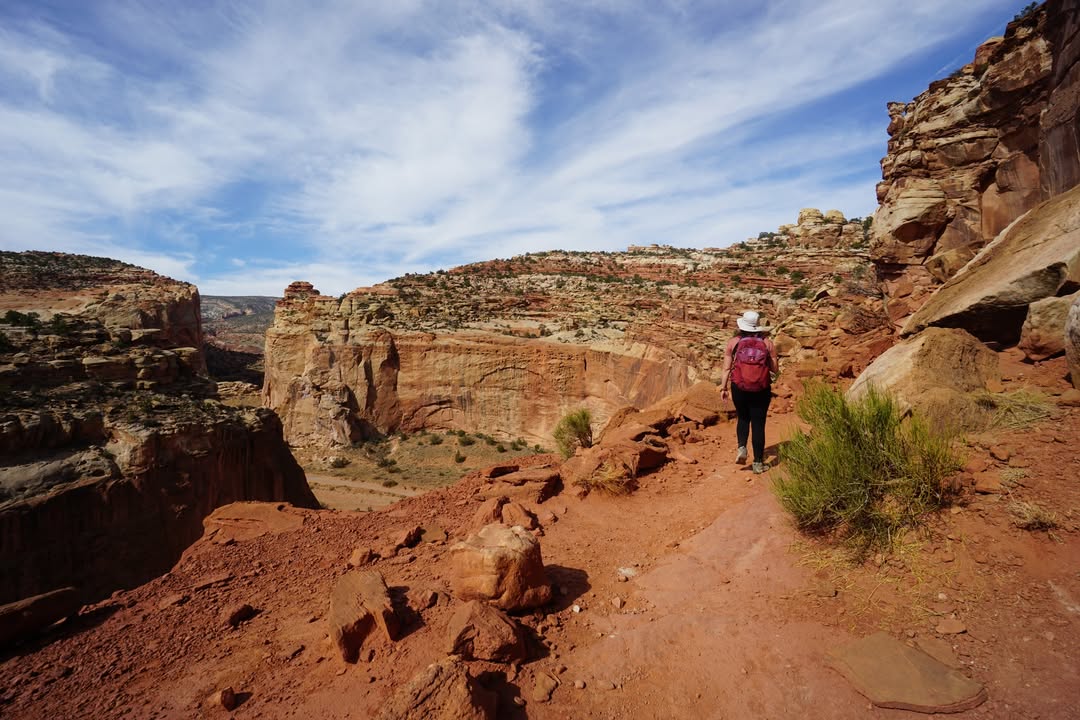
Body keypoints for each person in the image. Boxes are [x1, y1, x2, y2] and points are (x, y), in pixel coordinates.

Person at [719, 310, 778, 474]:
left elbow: (726, 369)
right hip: (761, 389)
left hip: (739, 387)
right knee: (758, 424)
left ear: (742, 326)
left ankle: (742, 448)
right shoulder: (767, 343)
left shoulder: (734, 343)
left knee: (743, 418)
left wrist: (723, 388)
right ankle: (758, 463)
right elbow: (774, 369)